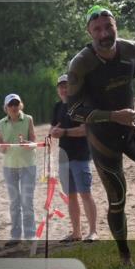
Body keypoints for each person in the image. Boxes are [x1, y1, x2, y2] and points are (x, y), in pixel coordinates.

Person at [66, 5, 135, 264]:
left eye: (109, 26)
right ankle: (125, 257)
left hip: (130, 125)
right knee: (117, 198)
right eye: (97, 29)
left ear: (116, 25)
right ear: (89, 32)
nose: (104, 33)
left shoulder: (132, 50)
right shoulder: (81, 64)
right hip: (102, 136)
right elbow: (73, 110)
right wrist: (112, 114)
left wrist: (122, 111)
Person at [50, 74, 99, 241]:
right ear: (58, 90)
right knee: (70, 196)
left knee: (85, 193)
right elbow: (52, 129)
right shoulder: (57, 107)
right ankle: (76, 232)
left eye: (67, 86)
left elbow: (85, 129)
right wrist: (54, 132)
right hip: (64, 157)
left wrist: (63, 132)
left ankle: (93, 232)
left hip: (81, 156)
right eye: (61, 86)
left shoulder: (80, 106)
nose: (64, 89)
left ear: (72, 88)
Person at [0, 93, 37, 244]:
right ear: (5, 107)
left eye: (16, 104)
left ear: (20, 105)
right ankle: (15, 236)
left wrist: (27, 143)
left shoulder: (28, 119)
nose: (14, 107)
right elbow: (2, 149)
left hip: (28, 165)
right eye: (11, 104)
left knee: (27, 201)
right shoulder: (2, 123)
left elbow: (33, 141)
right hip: (9, 166)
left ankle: (30, 235)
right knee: (14, 202)